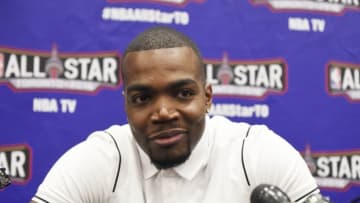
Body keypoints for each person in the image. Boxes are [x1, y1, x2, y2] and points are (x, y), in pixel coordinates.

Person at [31, 26, 320, 203]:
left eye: (183, 93)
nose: (164, 112)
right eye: (142, 98)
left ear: (207, 97)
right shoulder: (103, 158)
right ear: (126, 106)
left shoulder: (256, 152)